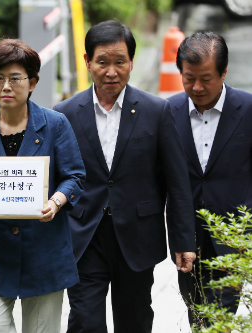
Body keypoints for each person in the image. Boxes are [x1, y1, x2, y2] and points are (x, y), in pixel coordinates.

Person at [52, 20, 196, 333]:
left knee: (135, 320)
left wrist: (184, 240)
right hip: (83, 233)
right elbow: (53, 176)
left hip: (137, 235)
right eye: (102, 62)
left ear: (131, 62)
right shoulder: (64, 113)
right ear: (87, 62)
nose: (111, 71)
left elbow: (177, 182)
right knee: (85, 321)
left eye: (120, 62)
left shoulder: (156, 111)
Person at [0, 39, 86, 333]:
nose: (6, 86)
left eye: (15, 78)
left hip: (45, 253)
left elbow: (75, 176)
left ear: (32, 83)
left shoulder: (55, 124)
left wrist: (55, 201)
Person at [168, 31, 252, 323]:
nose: (197, 86)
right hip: (187, 238)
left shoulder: (248, 110)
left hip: (233, 236)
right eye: (189, 78)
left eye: (206, 78)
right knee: (198, 314)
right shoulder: (168, 112)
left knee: (220, 318)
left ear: (224, 72)